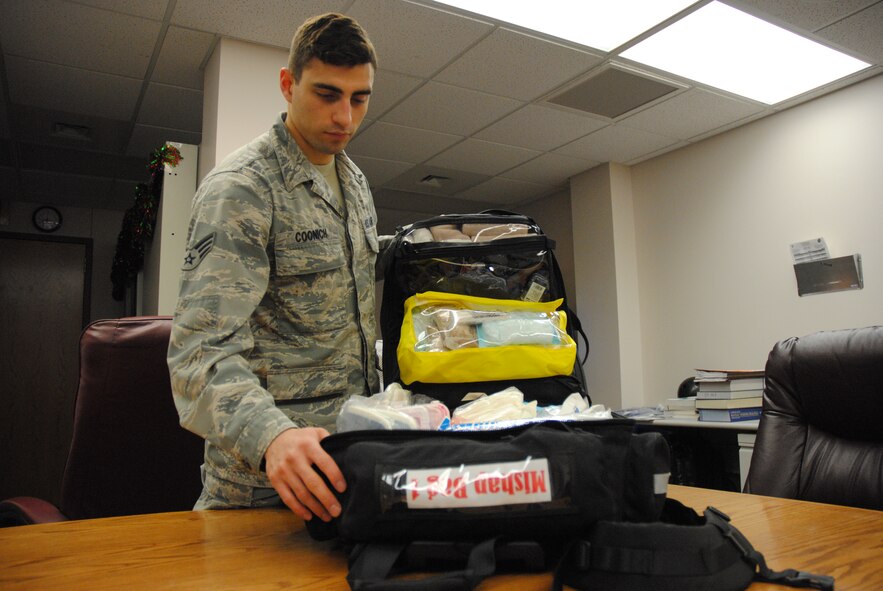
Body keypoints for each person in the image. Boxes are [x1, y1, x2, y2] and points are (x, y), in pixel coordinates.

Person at [168, 13, 383, 523]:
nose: (345, 117)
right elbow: (199, 352)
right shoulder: (243, 188)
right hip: (263, 484)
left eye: (359, 98)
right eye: (327, 94)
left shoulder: (355, 184)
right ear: (288, 85)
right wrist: (273, 436)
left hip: (348, 463)